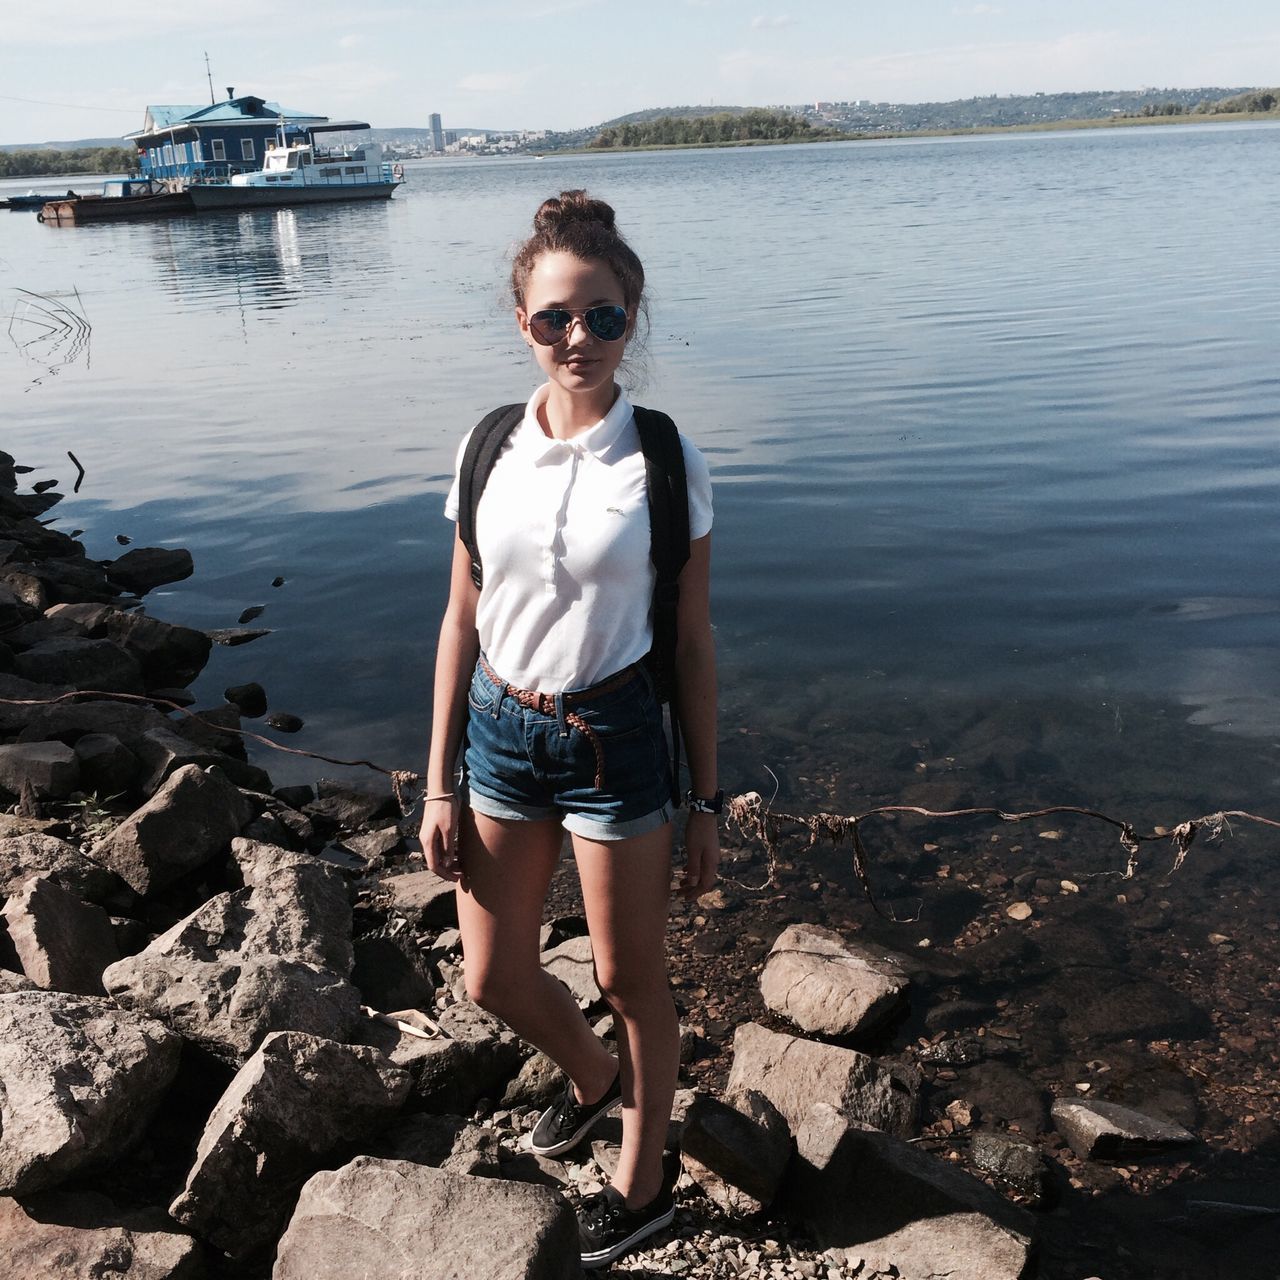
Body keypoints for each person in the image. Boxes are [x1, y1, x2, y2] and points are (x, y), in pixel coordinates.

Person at [419, 188, 720, 1269]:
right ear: (523, 324)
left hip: (615, 742)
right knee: (491, 976)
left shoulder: (664, 459)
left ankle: (644, 1183)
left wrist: (705, 801)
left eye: (601, 315)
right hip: (500, 732)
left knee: (631, 978)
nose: (577, 338)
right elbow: (459, 615)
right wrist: (437, 781)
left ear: (631, 315)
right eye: (554, 318)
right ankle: (595, 1079)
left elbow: (689, 647)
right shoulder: (488, 444)